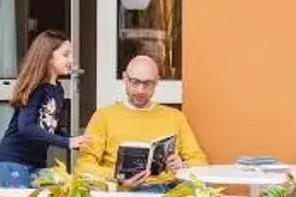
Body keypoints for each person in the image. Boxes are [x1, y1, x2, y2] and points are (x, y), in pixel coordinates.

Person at [77, 51, 208, 189]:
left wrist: (183, 167)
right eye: (135, 82)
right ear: (124, 79)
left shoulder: (174, 117)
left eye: (148, 84)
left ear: (157, 82)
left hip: (165, 190)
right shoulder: (104, 116)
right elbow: (83, 166)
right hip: (120, 191)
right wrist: (117, 178)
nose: (140, 90)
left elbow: (200, 162)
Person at [0, 29, 91, 186]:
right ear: (48, 57)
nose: (72, 60)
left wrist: (73, 140)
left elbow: (50, 127)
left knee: (58, 192)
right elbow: (26, 127)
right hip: (14, 160)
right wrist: (66, 142)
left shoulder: (57, 89)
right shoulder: (37, 88)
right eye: (65, 55)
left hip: (36, 162)